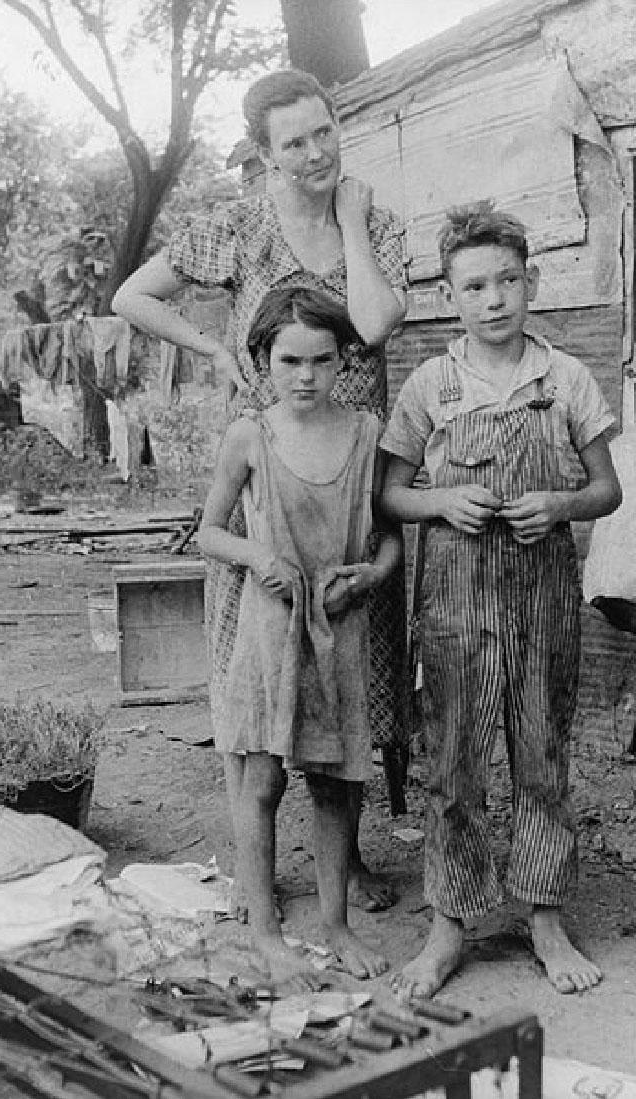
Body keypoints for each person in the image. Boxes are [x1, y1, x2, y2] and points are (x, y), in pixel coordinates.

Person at [112, 68, 408, 916]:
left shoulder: (375, 223)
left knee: (354, 661)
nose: (316, 153)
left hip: (353, 475)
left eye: (324, 131)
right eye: (294, 143)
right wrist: (209, 347)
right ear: (263, 154)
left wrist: (345, 220)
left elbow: (378, 324)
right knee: (260, 662)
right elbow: (131, 294)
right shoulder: (239, 228)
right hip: (268, 474)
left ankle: (342, 866)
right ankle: (258, 868)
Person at [379, 202, 622, 998]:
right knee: (452, 764)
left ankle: (544, 915)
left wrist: (558, 504)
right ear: (451, 295)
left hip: (543, 597)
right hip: (453, 602)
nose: (495, 299)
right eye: (475, 285)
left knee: (542, 755)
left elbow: (606, 489)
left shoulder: (567, 378)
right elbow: (390, 494)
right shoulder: (430, 385)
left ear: (531, 282)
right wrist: (441, 503)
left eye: (508, 280)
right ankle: (448, 926)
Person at [197, 284, 400, 983]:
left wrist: (370, 575)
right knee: (262, 777)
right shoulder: (251, 436)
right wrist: (259, 556)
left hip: (339, 629)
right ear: (262, 360)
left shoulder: (368, 432)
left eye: (321, 359)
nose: (306, 375)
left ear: (344, 358)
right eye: (289, 361)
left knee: (337, 785)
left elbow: (392, 538)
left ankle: (336, 924)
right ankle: (264, 929)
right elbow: (210, 531)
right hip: (270, 630)